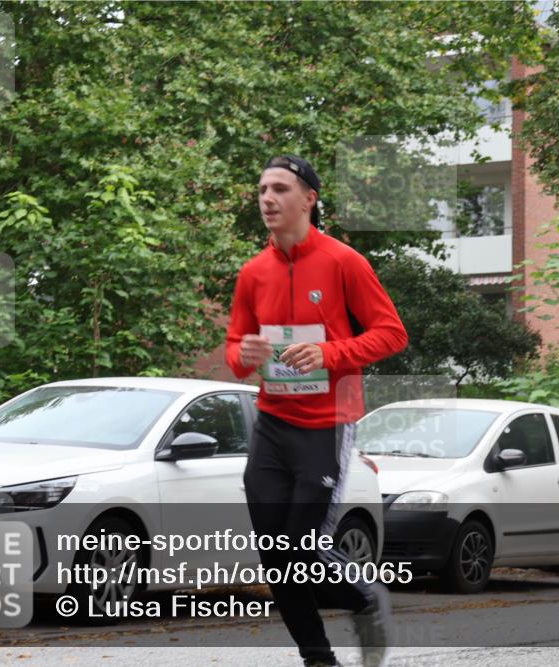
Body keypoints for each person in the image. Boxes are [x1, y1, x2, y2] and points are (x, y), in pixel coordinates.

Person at [226, 155, 408, 667]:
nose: (267, 198)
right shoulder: (253, 273)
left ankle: (365, 599)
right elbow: (235, 350)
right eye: (262, 188)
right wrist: (247, 356)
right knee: (275, 558)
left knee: (303, 548)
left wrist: (329, 354)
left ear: (309, 199)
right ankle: (318, 659)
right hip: (273, 423)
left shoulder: (343, 261)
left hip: (327, 425)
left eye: (280, 189)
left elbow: (392, 333)